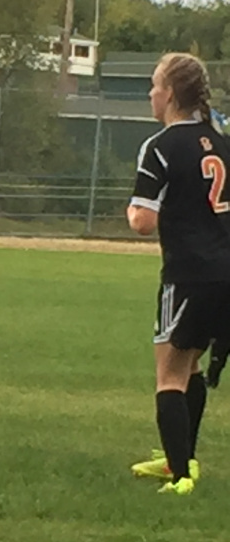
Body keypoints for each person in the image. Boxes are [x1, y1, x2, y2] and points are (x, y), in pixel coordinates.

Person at [127, 52, 230, 495]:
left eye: (154, 85)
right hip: (226, 271)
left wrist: (132, 212)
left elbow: (143, 220)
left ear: (169, 94)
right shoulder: (222, 142)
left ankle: (181, 473)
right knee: (190, 368)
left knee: (168, 374)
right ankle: (181, 456)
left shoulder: (160, 146)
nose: (150, 94)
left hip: (188, 273)